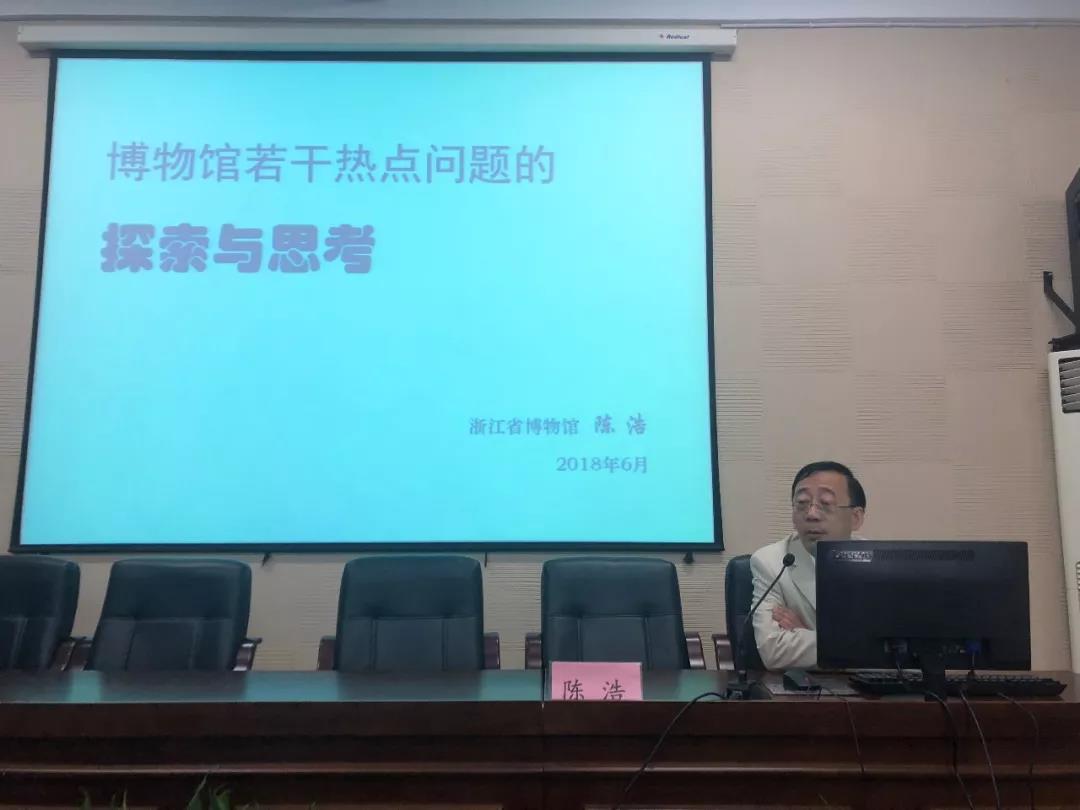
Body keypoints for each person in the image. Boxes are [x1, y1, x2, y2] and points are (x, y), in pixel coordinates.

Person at [750, 461, 867, 670]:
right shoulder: (771, 562)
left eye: (826, 504)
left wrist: (809, 635)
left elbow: (901, 654)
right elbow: (773, 651)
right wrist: (860, 647)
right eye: (802, 504)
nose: (811, 514)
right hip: (804, 687)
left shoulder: (879, 563)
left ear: (855, 517)